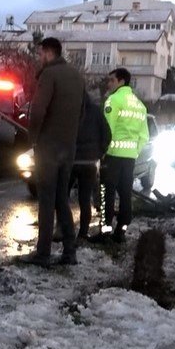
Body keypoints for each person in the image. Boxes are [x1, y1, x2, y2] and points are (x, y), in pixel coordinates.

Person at [19, 36, 84, 267]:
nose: (39, 58)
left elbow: (37, 111)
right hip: (68, 147)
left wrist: (33, 138)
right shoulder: (76, 76)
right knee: (61, 199)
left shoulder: (49, 75)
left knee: (46, 200)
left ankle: (43, 253)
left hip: (48, 147)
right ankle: (69, 251)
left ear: (48, 52)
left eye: (40, 54)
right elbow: (82, 111)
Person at [99, 68, 149, 243]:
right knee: (126, 193)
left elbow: (107, 129)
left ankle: (105, 231)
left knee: (107, 191)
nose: (109, 83)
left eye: (112, 80)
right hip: (130, 157)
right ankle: (121, 231)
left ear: (121, 82)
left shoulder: (113, 100)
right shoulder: (140, 106)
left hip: (112, 155)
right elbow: (144, 136)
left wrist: (102, 152)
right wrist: (134, 151)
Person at [74, 90, 111, 239]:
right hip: (89, 162)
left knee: (61, 198)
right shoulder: (96, 111)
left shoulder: (69, 110)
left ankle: (64, 230)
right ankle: (83, 233)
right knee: (84, 199)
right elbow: (107, 134)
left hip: (70, 160)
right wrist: (100, 152)